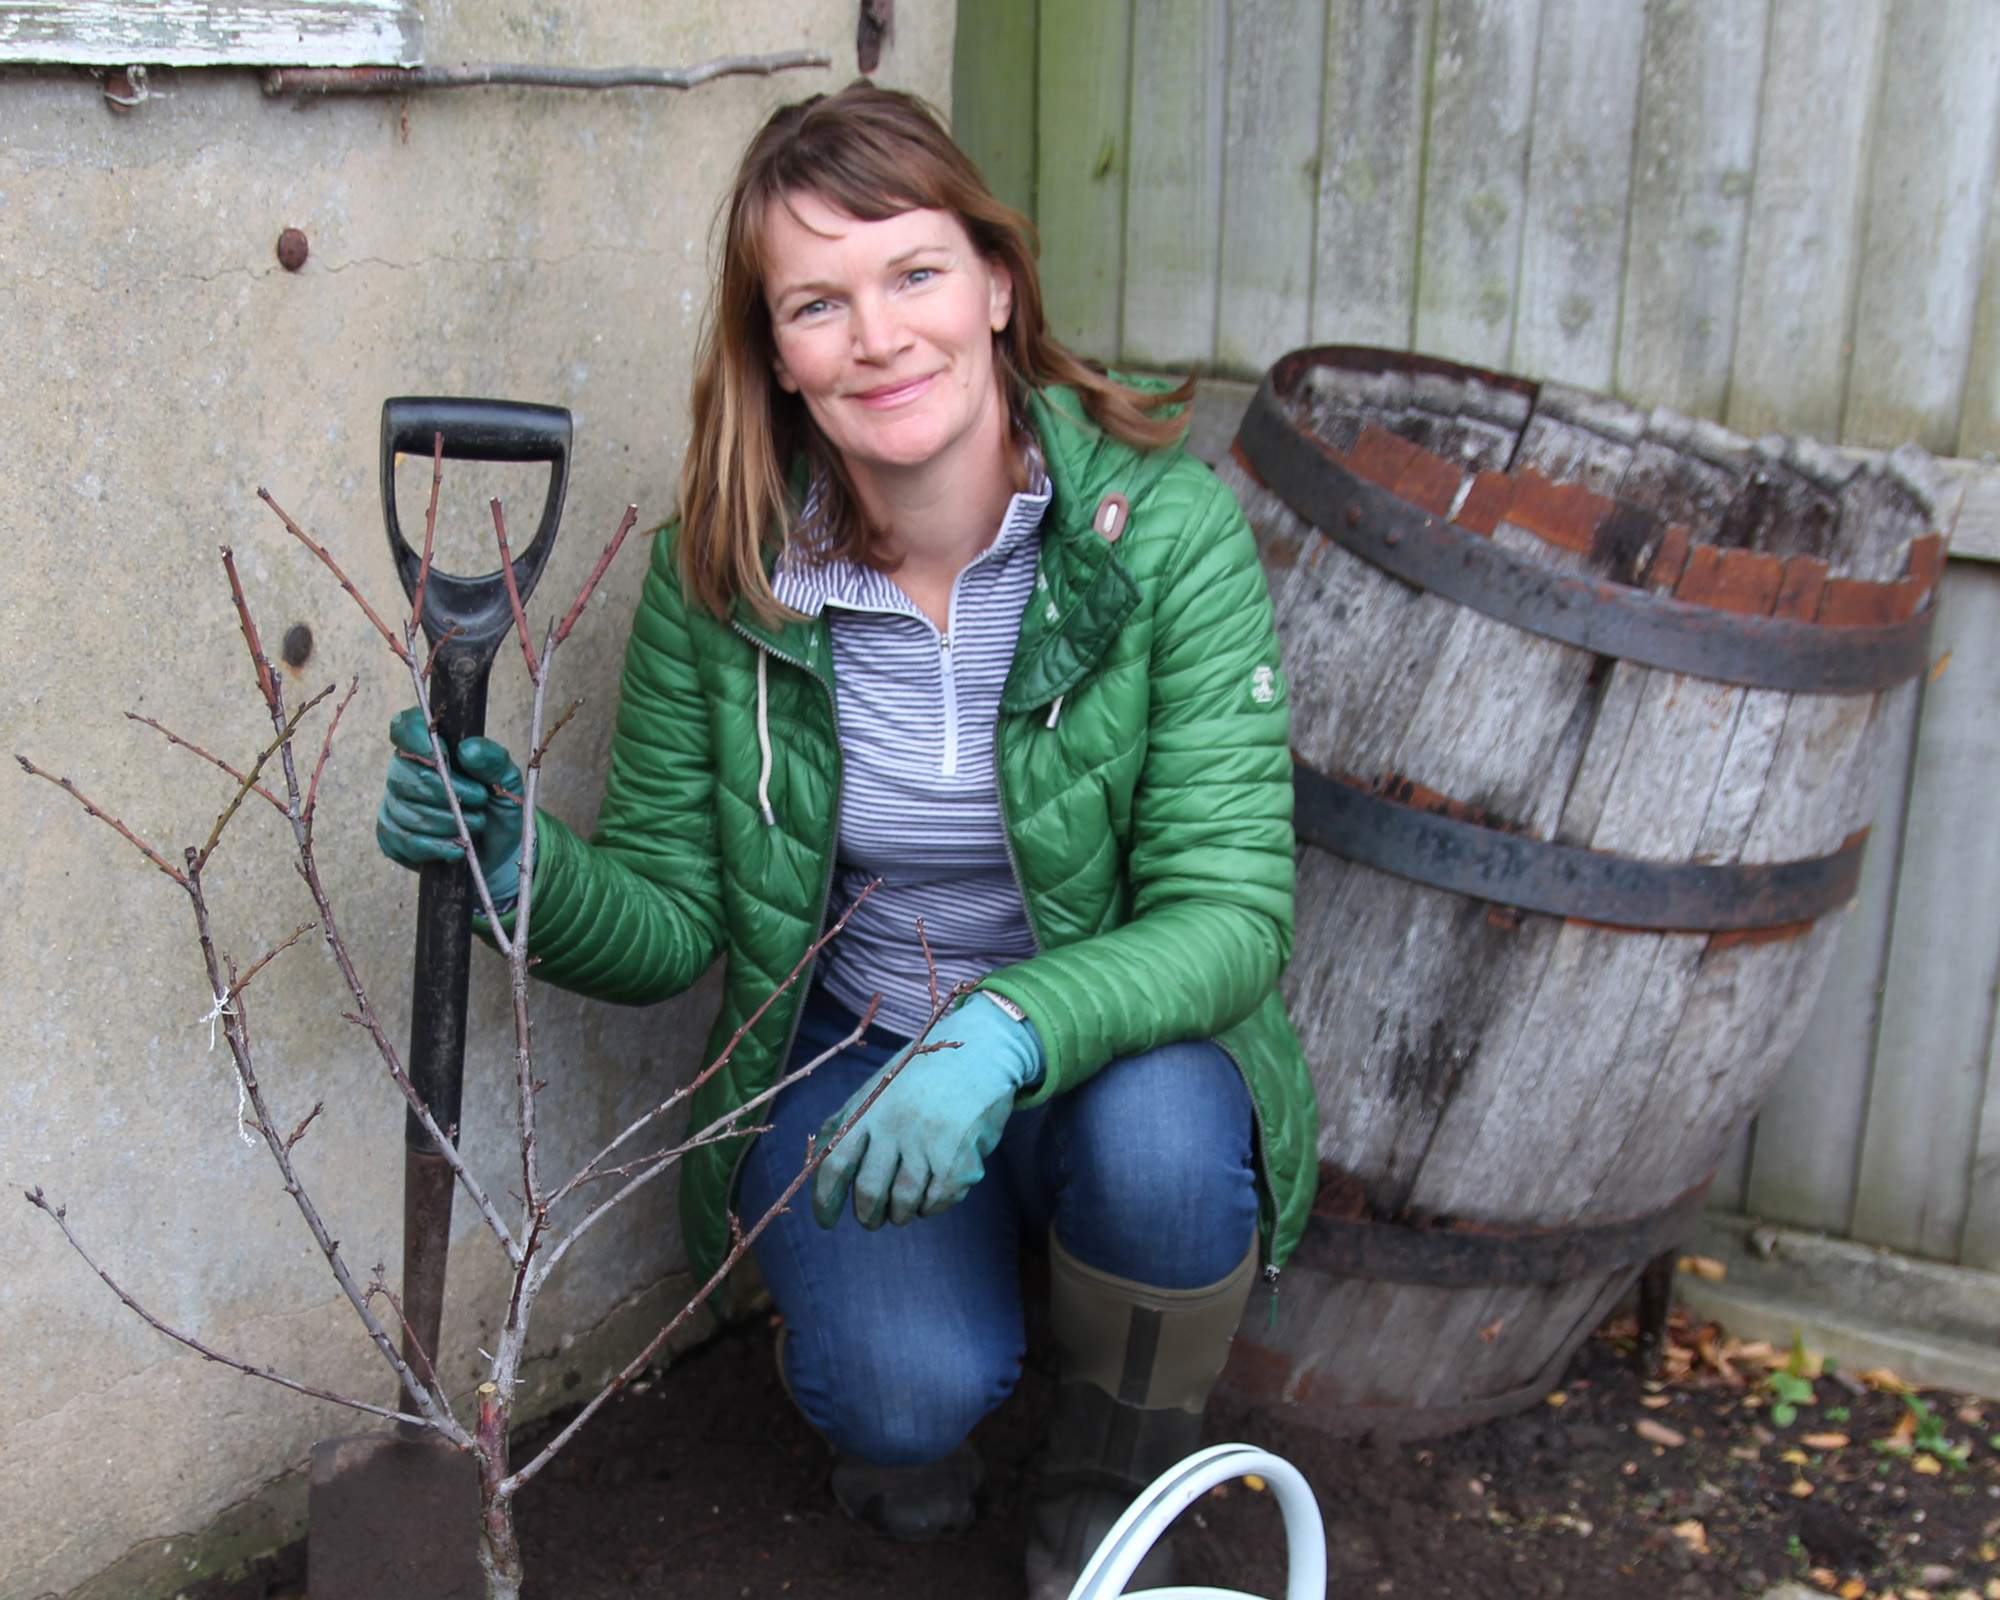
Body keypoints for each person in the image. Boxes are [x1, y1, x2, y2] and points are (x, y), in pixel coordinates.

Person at [374, 82, 1317, 1597]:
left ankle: (1110, 1465)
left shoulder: (1164, 536)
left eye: (915, 274)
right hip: (855, 1046)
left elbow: (1228, 915)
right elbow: (677, 923)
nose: (878, 337)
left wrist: (1010, 1027)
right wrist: (516, 865)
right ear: (777, 355)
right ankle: (912, 1416)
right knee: (904, 1395)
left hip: (1100, 1042)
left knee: (1161, 1143)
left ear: (998, 286)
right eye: (818, 302)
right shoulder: (723, 578)